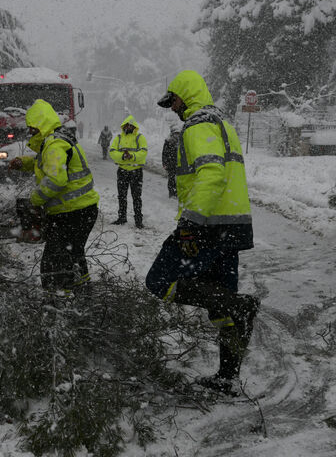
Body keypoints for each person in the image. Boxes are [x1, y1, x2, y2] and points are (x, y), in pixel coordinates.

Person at [146, 70, 259, 395]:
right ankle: (227, 377)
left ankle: (241, 306)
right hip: (232, 224)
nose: (172, 109)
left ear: (186, 97)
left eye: (174, 101)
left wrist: (190, 225)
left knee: (158, 281)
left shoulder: (198, 125)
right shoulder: (224, 124)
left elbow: (212, 173)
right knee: (221, 307)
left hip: (208, 225)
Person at [8, 99, 99, 293]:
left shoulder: (54, 144)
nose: (30, 132)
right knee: (72, 255)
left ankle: (60, 298)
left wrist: (34, 200)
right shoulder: (56, 140)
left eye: (32, 128)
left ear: (42, 125)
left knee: (54, 262)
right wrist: (23, 163)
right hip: (81, 210)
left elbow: (56, 179)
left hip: (73, 212)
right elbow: (46, 163)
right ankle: (81, 293)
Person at [109, 115, 147, 228]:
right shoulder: (118, 138)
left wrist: (132, 156)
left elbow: (143, 152)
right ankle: (122, 218)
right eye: (127, 125)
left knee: (136, 197)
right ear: (124, 126)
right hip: (122, 171)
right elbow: (112, 152)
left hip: (136, 171)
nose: (129, 127)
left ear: (134, 126)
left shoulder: (139, 137)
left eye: (131, 125)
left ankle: (138, 221)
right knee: (121, 196)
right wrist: (123, 157)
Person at [161, 124, 181, 198]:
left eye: (178, 133)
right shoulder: (168, 141)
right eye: (175, 133)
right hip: (170, 162)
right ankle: (172, 192)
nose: (177, 135)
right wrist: (164, 163)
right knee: (171, 178)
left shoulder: (182, 142)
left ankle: (177, 192)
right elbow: (164, 153)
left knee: (179, 179)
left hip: (179, 163)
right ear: (172, 133)